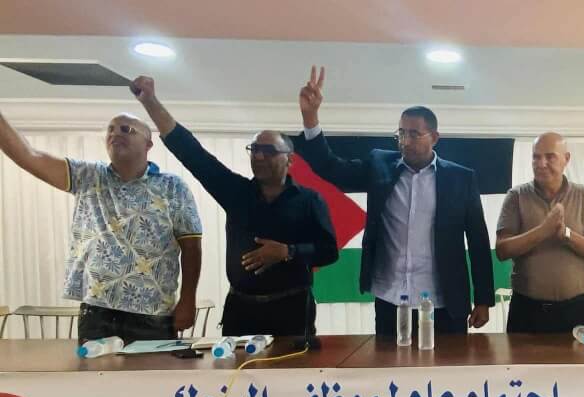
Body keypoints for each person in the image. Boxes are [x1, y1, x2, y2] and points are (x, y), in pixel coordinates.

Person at [293, 66, 493, 336]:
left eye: (414, 134)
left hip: (445, 301)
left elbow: (478, 240)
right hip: (391, 297)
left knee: (449, 364)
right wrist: (310, 118)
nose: (405, 141)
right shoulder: (379, 166)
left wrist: (483, 299)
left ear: (434, 137)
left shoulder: (461, 178)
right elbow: (331, 169)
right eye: (401, 133)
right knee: (390, 362)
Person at [132, 76, 338, 338]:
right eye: (254, 149)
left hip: (292, 311)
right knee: (235, 368)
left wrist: (288, 252)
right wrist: (150, 102)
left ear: (290, 160)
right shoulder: (235, 192)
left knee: (292, 367)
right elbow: (192, 153)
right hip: (241, 311)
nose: (259, 156)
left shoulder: (310, 200)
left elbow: (328, 251)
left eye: (268, 151)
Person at [0, 107, 202, 343]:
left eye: (126, 129)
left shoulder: (173, 187)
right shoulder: (87, 176)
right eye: (111, 129)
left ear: (148, 144)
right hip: (97, 312)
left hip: (154, 313)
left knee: (153, 368)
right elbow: (29, 156)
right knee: (94, 369)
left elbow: (191, 247)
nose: (116, 133)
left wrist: (188, 299)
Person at [495, 132, 584, 333]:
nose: (541, 163)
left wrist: (566, 234)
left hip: (576, 310)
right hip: (527, 310)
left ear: (566, 159)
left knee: (581, 357)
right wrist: (543, 231)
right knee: (521, 357)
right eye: (536, 157)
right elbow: (502, 250)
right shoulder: (516, 196)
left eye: (550, 157)